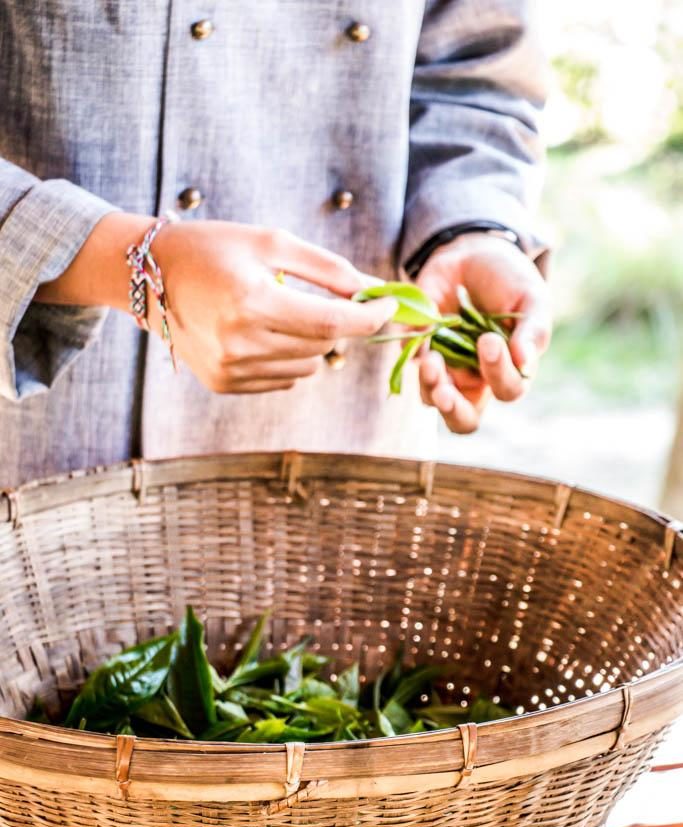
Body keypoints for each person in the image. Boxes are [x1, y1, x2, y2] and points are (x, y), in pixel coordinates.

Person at [0, 1, 551, 489]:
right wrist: (122, 261)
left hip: (336, 436)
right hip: (43, 434)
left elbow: (475, 72)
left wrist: (467, 227)